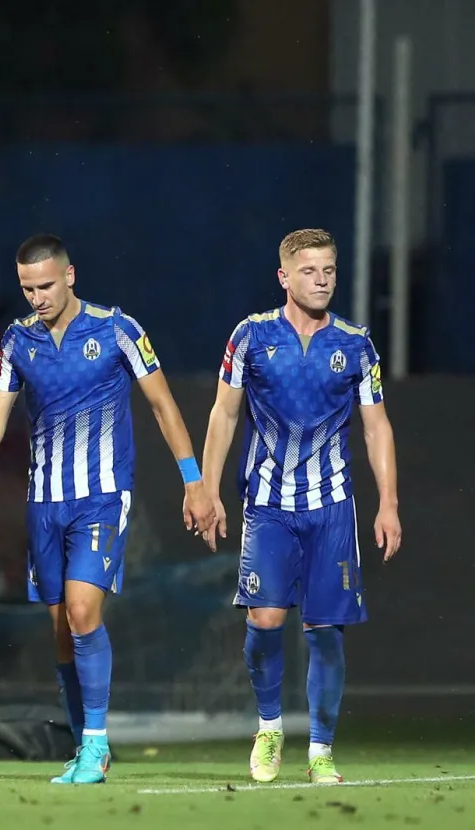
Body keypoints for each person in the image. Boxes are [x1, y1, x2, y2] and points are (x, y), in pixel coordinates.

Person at [0, 233, 215, 785]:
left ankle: (94, 746)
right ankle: (84, 742)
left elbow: (162, 406)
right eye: (26, 288)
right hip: (44, 503)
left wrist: (195, 482)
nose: (36, 297)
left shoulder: (118, 329)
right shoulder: (18, 341)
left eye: (44, 285)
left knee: (84, 610)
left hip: (102, 496)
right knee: (62, 630)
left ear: (70, 276)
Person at [200, 228, 402, 786]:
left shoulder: (357, 343)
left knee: (325, 629)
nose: (322, 280)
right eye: (310, 271)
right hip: (267, 504)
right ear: (284, 277)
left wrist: (388, 504)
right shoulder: (251, 337)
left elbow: (376, 426)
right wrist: (207, 487)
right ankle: (269, 727)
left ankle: (320, 750)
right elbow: (223, 414)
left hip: (332, 508)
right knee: (264, 620)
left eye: (330, 271)